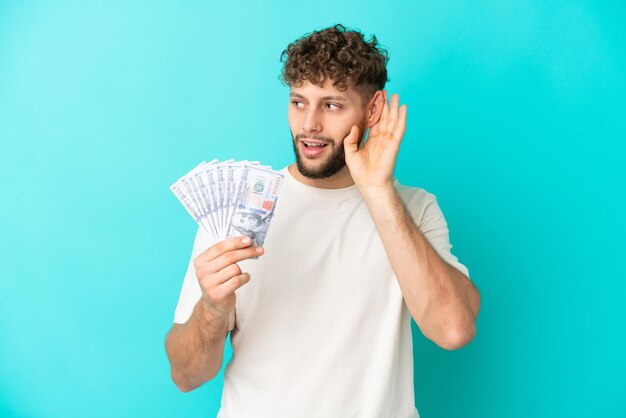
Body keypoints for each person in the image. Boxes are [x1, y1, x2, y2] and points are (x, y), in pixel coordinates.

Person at [165, 23, 480, 417]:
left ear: (373, 110)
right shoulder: (235, 210)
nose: (309, 124)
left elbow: (454, 329)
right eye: (299, 102)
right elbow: (185, 376)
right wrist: (212, 308)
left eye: (331, 105)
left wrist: (378, 192)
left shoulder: (414, 208)